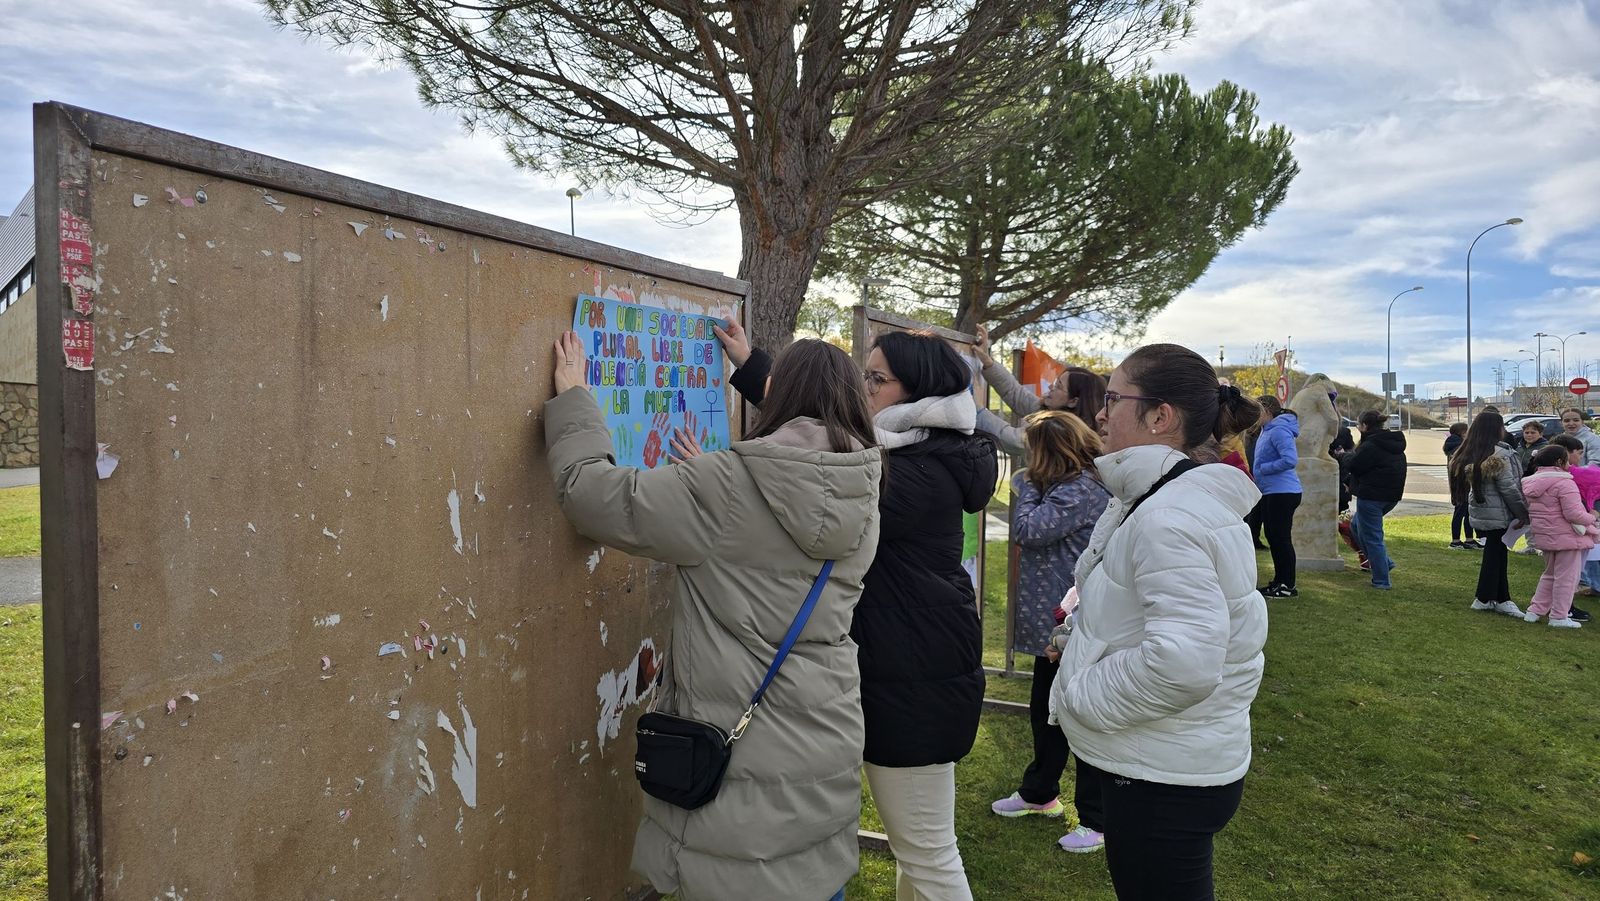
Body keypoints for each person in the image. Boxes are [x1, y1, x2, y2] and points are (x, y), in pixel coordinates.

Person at [545, 334, 884, 901]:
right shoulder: (864, 490)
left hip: (742, 748)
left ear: (778, 395)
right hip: (826, 731)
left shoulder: (724, 486)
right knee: (810, 875)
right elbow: (773, 542)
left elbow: (590, 495)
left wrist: (576, 400)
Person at [710, 320, 997, 901]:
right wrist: (753, 366)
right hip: (911, 663)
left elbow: (815, 478)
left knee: (927, 849)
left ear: (917, 392)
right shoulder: (916, 451)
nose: (862, 388)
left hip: (913, 674)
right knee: (917, 850)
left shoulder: (914, 471)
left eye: (876, 378)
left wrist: (714, 481)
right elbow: (825, 434)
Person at [1049, 343, 1266, 901]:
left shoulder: (1169, 515)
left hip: (1165, 772)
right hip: (1173, 759)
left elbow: (1183, 664)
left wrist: (1079, 693)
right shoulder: (1161, 498)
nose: (1100, 412)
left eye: (1114, 397)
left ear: (1160, 417)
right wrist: (1079, 643)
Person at [987, 411, 1111, 855]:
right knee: (1045, 712)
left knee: (1078, 718)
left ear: (1048, 455)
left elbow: (1027, 531)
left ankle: (1097, 820)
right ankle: (1041, 793)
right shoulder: (1072, 485)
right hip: (1060, 625)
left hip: (1075, 625)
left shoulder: (1078, 488)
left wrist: (1024, 484)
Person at [972, 324, 1106, 457]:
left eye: (1059, 386)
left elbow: (1015, 442)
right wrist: (988, 362)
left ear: (1073, 401)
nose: (1050, 387)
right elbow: (1016, 394)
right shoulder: (1052, 412)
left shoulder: (1062, 429)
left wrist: (975, 411)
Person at [1447, 411, 1528, 618]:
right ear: (1497, 429)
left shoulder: (1467, 451)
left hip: (1480, 511)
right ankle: (1485, 598)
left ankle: (1500, 598)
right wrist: (1523, 514)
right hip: (1498, 512)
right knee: (1495, 556)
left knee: (1497, 554)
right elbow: (1509, 488)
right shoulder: (1499, 455)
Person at [1519, 445, 1598, 628]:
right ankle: (1559, 616)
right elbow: (1574, 514)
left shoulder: (1530, 482)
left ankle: (1535, 611)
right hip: (1567, 538)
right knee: (1567, 578)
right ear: (1560, 462)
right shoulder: (1565, 482)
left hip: (1546, 536)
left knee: (1549, 575)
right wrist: (1592, 517)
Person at [1345, 411, 1407, 591]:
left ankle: (1381, 580)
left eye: (1358, 425)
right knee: (1356, 526)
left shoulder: (1370, 445)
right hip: (1390, 496)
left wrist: (1344, 455)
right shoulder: (1393, 442)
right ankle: (1384, 563)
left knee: (1372, 538)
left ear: (1364, 426)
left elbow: (1354, 465)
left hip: (1372, 497)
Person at [1251, 395, 1301, 597]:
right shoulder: (1267, 430)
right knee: (1274, 537)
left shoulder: (1279, 430)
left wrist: (1264, 469)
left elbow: (1290, 460)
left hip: (1282, 492)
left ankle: (1287, 585)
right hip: (1272, 491)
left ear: (1267, 410)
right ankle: (1280, 581)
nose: (1255, 417)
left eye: (1257, 412)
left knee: (1280, 539)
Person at [1548, 434, 1597, 621]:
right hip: (1569, 532)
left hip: (1552, 531)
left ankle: (1549, 605)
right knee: (1569, 573)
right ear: (1566, 454)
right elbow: (1573, 510)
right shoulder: (1568, 478)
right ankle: (1563, 609)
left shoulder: (1543, 475)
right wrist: (1591, 516)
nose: (1580, 458)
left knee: (1553, 572)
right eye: (1578, 453)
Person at [1443, 423, 1479, 550]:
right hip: (1461, 484)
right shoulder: (1459, 447)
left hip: (1460, 484)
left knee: (1467, 512)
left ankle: (1469, 539)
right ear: (1462, 432)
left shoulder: (1454, 445)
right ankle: (1455, 540)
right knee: (1460, 512)